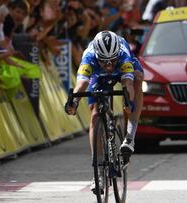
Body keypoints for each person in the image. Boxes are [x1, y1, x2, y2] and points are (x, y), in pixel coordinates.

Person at [64, 30, 144, 193]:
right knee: (94, 114)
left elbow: (127, 83)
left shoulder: (122, 54)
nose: (108, 66)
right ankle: (98, 172)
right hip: (97, 76)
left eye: (111, 61)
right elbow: (81, 85)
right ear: (97, 56)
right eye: (104, 61)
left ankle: (130, 137)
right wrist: (74, 101)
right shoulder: (89, 57)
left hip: (123, 71)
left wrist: (128, 100)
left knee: (137, 80)